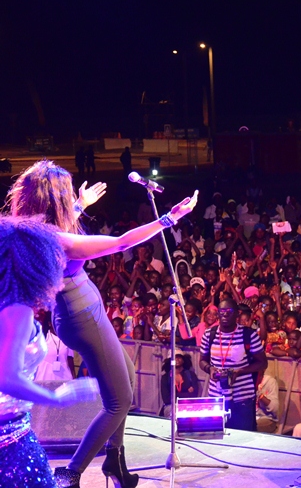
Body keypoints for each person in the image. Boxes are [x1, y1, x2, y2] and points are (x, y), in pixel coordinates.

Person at [8, 160, 198, 488]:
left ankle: (115, 457)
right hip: (82, 316)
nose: (71, 199)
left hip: (81, 311)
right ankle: (72, 472)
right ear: (54, 199)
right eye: (66, 195)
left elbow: (59, 228)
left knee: (127, 375)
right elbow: (121, 243)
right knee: (120, 400)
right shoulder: (58, 241)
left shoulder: (33, 232)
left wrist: (81, 205)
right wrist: (169, 219)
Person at [0, 217, 99, 488]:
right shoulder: (16, 309)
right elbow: (7, 378)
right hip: (10, 444)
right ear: (34, 263)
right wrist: (56, 397)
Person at [199, 299, 268, 431]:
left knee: (242, 439)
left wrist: (239, 371)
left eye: (229, 312)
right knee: (217, 437)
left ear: (237, 314)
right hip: (216, 397)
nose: (225, 315)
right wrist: (210, 369)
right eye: (222, 312)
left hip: (242, 398)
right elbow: (202, 361)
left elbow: (262, 363)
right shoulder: (209, 334)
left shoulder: (248, 335)